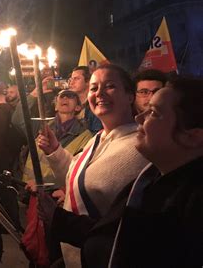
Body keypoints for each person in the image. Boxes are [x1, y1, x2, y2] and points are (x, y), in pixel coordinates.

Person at [38, 77, 203, 267]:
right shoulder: (151, 177)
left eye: (154, 113)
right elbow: (116, 233)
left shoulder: (193, 206)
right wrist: (59, 218)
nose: (139, 118)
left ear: (192, 136)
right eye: (94, 88)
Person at [37, 64, 148, 267]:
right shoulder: (97, 139)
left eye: (110, 86)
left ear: (130, 96)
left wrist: (58, 218)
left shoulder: (142, 147)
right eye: (94, 88)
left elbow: (125, 226)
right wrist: (55, 151)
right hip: (76, 256)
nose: (100, 94)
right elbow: (78, 181)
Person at [23, 90, 93, 184]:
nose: (65, 98)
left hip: (55, 194)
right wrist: (35, 93)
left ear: (78, 107)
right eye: (61, 96)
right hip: (27, 189)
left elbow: (78, 169)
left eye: (70, 96)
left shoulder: (85, 136)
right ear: (55, 106)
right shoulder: (41, 125)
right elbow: (18, 119)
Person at [68, 66, 103, 133]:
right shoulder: (69, 104)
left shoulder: (96, 105)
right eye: (71, 79)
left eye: (77, 79)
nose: (71, 83)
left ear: (88, 81)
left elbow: (96, 135)